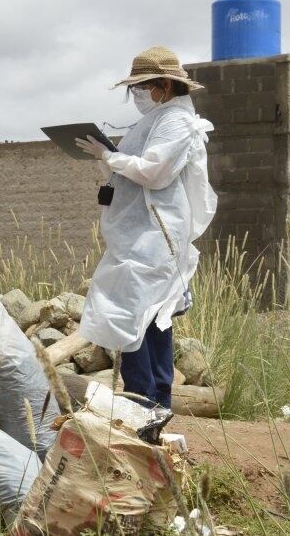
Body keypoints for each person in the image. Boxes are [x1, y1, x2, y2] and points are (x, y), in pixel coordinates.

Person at [74, 46, 217, 412]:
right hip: (140, 236)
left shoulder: (176, 121)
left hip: (155, 237)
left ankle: (146, 404)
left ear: (166, 85)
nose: (136, 94)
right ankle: (154, 408)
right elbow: (135, 172)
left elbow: (155, 173)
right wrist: (108, 159)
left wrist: (109, 156)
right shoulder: (155, 120)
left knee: (135, 317)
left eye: (142, 87)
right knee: (150, 319)